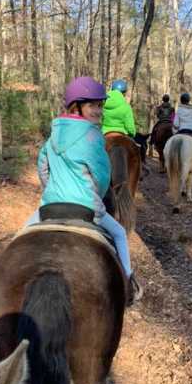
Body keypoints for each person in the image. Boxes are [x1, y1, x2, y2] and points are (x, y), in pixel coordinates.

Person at [34, 76, 142, 305]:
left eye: (100, 105)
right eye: (92, 105)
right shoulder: (93, 136)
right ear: (78, 106)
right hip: (87, 207)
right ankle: (128, 284)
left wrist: (52, 189)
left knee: (20, 240)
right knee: (120, 234)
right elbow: (103, 177)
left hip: (50, 206)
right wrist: (95, 195)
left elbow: (42, 164)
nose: (98, 110)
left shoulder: (54, 132)